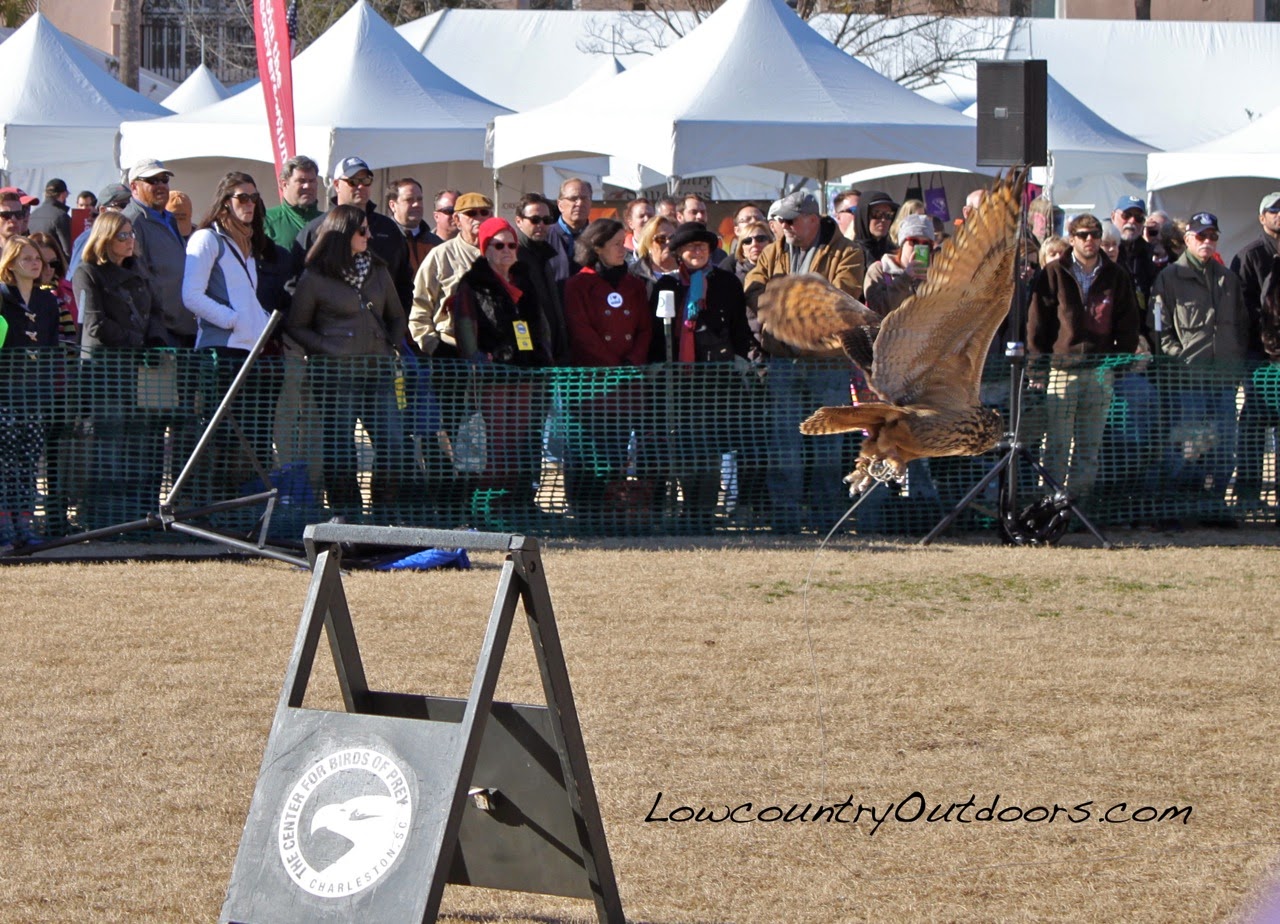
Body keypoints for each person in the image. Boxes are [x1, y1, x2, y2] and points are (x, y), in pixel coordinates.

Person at [744, 189, 864, 533]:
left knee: (828, 446)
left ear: (812, 219)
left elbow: (839, 298)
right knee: (784, 445)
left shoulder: (848, 253)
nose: (784, 226)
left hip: (827, 364)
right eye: (780, 221)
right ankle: (786, 520)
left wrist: (782, 302)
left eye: (790, 220)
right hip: (783, 361)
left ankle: (827, 521)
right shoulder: (774, 251)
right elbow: (752, 284)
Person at [287, 205, 407, 518]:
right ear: (342, 234)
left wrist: (392, 344)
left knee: (393, 443)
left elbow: (397, 315)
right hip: (336, 374)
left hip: (378, 370)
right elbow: (296, 325)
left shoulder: (378, 270)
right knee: (341, 448)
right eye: (362, 230)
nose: (369, 235)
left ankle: (384, 514)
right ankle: (346, 517)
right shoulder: (315, 277)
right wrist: (328, 347)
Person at [1027, 213, 1141, 508]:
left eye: (1095, 234)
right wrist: (1037, 368)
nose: (1090, 240)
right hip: (1062, 370)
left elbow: (1128, 324)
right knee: (1057, 444)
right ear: (1071, 238)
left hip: (1100, 371)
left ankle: (1080, 507)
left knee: (1089, 446)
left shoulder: (1116, 275)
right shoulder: (1054, 272)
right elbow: (1037, 325)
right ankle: (1050, 505)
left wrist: (1117, 364)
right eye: (1083, 235)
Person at [649, 222, 754, 531]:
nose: (697, 251)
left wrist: (741, 358)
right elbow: (656, 331)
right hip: (678, 381)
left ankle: (704, 513)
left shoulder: (727, 283)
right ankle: (687, 509)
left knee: (709, 448)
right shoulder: (666, 285)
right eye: (690, 247)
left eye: (702, 247)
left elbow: (739, 325)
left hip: (716, 380)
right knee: (683, 447)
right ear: (679, 253)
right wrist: (657, 364)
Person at [181, 172, 279, 497]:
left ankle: (235, 506)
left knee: (244, 439)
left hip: (247, 354)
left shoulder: (245, 244)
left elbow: (244, 296)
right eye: (242, 197)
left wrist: (257, 323)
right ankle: (205, 506)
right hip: (219, 353)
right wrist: (232, 320)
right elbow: (191, 295)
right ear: (225, 201)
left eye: (254, 198)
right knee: (217, 437)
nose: (250, 204)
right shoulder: (207, 239)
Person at [451, 217, 553, 526]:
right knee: (494, 445)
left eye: (511, 245)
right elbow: (466, 331)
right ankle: (486, 509)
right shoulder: (471, 285)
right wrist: (479, 362)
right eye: (498, 245)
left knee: (520, 442)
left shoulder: (525, 281)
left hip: (526, 374)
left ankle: (516, 505)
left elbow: (540, 326)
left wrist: (542, 357)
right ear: (485, 249)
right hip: (491, 378)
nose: (507, 250)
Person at [1151, 211, 1248, 522]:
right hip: (1187, 380)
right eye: (1201, 236)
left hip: (1223, 379)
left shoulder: (1228, 279)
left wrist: (1235, 363)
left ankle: (1214, 505)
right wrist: (1179, 357)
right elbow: (1159, 329)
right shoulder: (1169, 278)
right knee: (1186, 446)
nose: (1207, 241)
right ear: (1188, 239)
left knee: (1225, 447)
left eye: (1212, 236)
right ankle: (1178, 507)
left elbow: (1241, 325)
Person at [72, 211, 163, 530]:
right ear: (105, 238)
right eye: (122, 235)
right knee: (109, 445)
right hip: (105, 371)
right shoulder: (88, 272)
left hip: (138, 372)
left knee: (138, 447)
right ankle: (104, 521)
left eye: (131, 234)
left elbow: (155, 311)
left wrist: (154, 341)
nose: (130, 240)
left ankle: (136, 520)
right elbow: (94, 323)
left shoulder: (140, 270)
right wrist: (136, 340)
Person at [562, 218, 653, 527]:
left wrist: (633, 361)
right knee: (589, 451)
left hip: (626, 385)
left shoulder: (633, 284)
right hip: (592, 385)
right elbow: (581, 330)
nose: (623, 249)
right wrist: (611, 365)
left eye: (624, 242)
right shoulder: (578, 285)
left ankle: (613, 511)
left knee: (617, 450)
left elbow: (644, 328)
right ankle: (585, 512)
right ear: (597, 247)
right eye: (616, 244)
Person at [0, 237, 60, 548]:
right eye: (26, 258)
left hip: (35, 394)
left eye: (37, 258)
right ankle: (3, 526)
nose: (35, 263)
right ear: (10, 264)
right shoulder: (1, 297)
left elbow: (51, 348)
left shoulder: (47, 301)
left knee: (28, 462)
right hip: (5, 392)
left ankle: (24, 524)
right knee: (4, 462)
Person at [294, 156, 413, 311]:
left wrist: (396, 321)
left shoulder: (388, 228)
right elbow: (297, 284)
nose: (361, 186)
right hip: (330, 321)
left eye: (366, 180)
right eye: (353, 181)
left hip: (380, 322)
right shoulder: (316, 229)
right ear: (337, 185)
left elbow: (404, 282)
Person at [1229, 191, 1280, 509]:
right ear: (1262, 218)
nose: (1279, 215)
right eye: (1274, 210)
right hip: (1259, 355)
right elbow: (1240, 306)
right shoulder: (1249, 255)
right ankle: (1248, 496)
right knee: (1255, 421)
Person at [409, 191, 491, 357]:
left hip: (495, 351)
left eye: (484, 212)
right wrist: (435, 347)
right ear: (457, 220)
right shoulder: (440, 255)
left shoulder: (502, 251)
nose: (479, 218)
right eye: (471, 213)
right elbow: (419, 308)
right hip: (452, 349)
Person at [123, 157, 193, 347]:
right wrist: (155, 328)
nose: (161, 185)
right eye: (152, 180)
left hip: (184, 327)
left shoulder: (169, 218)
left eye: (164, 179)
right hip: (160, 333)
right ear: (134, 186)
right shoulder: (131, 222)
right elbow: (137, 281)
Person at [513, 192, 568, 364]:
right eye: (535, 220)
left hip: (552, 352)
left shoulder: (545, 254)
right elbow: (516, 313)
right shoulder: (513, 257)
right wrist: (525, 350)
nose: (541, 225)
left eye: (546, 220)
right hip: (529, 358)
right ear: (519, 221)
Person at [863, 213, 934, 317]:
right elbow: (878, 309)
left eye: (926, 244)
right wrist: (905, 278)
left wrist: (930, 283)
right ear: (902, 243)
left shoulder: (935, 275)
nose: (919, 248)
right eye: (914, 242)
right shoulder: (880, 269)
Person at [263, 154, 321, 250]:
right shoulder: (267, 221)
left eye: (312, 181)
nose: (307, 186)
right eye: (301, 181)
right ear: (284, 184)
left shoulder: (329, 221)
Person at [386, 178, 440, 277]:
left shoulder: (436, 244)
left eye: (419, 199)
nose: (417, 205)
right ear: (393, 205)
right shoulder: (383, 240)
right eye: (409, 200)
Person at [546, 177, 593, 290]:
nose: (579, 203)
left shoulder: (599, 237)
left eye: (584, 198)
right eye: (573, 198)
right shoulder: (545, 237)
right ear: (560, 205)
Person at [627, 214, 678, 301]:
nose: (668, 242)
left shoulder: (688, 273)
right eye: (661, 239)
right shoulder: (633, 275)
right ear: (648, 244)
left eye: (673, 238)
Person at [28, 178, 71, 259]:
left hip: (34, 260)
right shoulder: (61, 216)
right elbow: (68, 250)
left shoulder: (33, 214)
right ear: (63, 195)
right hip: (54, 263)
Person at [852, 190, 897, 265]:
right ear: (863, 216)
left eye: (888, 215)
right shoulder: (852, 253)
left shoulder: (894, 252)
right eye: (877, 214)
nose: (883, 220)